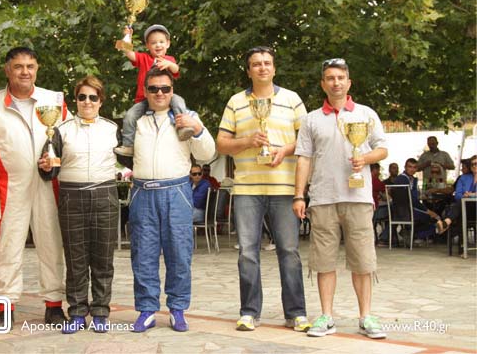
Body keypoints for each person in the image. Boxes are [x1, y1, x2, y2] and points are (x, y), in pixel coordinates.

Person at [0, 47, 69, 328]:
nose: (25, 72)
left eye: (30, 66)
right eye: (18, 66)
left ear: (37, 69)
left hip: (49, 184)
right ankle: (6, 306)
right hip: (9, 185)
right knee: (7, 248)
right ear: (7, 70)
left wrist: (56, 161)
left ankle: (53, 305)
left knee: (52, 244)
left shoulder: (54, 100)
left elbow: (68, 139)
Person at [216, 46, 309, 333]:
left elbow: (307, 139)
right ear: (248, 71)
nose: (262, 67)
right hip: (247, 189)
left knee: (289, 251)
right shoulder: (235, 102)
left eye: (267, 63)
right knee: (247, 252)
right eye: (256, 64)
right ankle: (249, 312)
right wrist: (247, 141)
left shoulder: (291, 99)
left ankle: (296, 313)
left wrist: (284, 150)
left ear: (274, 68)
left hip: (284, 187)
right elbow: (221, 143)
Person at [293, 58, 388, 339]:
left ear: (349, 82)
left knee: (363, 260)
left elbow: (382, 149)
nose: (336, 82)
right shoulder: (311, 119)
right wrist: (299, 195)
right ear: (323, 84)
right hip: (322, 199)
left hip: (358, 198)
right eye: (330, 78)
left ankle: (366, 316)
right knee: (323, 261)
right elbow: (303, 159)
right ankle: (326, 316)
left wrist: (365, 158)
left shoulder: (366, 113)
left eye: (341, 78)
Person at [128, 67, 215, 333]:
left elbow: (207, 154)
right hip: (143, 192)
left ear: (172, 91)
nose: (159, 93)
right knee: (143, 254)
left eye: (165, 88)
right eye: (153, 88)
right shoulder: (136, 120)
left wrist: (197, 129)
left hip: (176, 191)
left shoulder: (185, 117)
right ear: (146, 91)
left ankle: (177, 309)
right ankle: (146, 310)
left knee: (179, 253)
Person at [38, 75, 119, 334]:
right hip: (72, 197)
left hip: (105, 196)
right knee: (76, 260)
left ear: (100, 101)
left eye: (93, 97)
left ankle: (100, 312)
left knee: (103, 260)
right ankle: (77, 312)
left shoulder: (112, 129)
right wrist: (46, 166)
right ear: (76, 100)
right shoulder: (60, 130)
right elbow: (49, 169)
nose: (87, 102)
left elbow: (132, 160)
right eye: (82, 97)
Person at [114, 24, 194, 157]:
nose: (158, 45)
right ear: (147, 45)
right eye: (153, 43)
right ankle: (128, 145)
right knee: (130, 116)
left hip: (166, 97)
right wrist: (127, 36)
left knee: (179, 101)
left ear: (168, 44)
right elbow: (127, 52)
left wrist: (170, 64)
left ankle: (182, 128)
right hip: (144, 99)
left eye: (161, 42)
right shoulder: (144, 58)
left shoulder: (169, 59)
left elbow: (176, 70)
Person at [436, 155, 477, 234]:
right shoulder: (463, 178)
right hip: (464, 209)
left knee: (460, 205)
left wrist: (471, 195)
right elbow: (457, 195)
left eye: (476, 163)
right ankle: (448, 227)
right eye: (472, 164)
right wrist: (464, 196)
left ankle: (446, 223)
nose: (474, 166)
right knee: (461, 202)